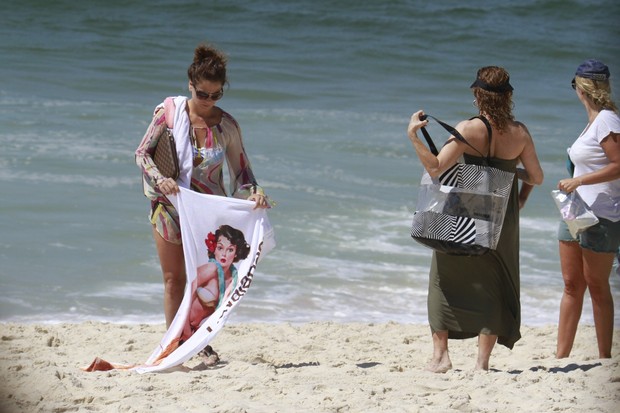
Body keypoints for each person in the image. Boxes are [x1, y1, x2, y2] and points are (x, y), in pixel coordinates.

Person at [135, 43, 270, 363]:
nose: (209, 101)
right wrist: (161, 180)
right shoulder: (168, 115)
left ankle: (199, 340)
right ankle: (175, 343)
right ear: (190, 86)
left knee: (206, 281)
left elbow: (244, 172)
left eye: (216, 95)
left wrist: (256, 192)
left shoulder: (227, 126)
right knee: (174, 279)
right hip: (169, 207)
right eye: (203, 94)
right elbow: (142, 154)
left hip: (208, 214)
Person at [406, 66, 544, 372]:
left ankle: (441, 356)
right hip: (502, 218)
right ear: (508, 96)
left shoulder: (469, 129)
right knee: (491, 284)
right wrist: (517, 192)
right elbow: (536, 176)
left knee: (444, 280)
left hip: (461, 214)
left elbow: (435, 167)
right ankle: (482, 363)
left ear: (477, 95)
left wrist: (413, 135)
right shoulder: (519, 132)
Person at [556, 59, 620, 359]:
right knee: (571, 284)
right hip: (574, 209)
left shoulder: (607, 120)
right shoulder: (594, 122)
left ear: (582, 88)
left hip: (601, 214)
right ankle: (561, 356)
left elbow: (619, 165)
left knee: (596, 285)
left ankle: (605, 357)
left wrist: (579, 179)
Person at [182, 225, 250, 341]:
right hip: (185, 329)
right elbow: (186, 294)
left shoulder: (233, 279)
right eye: (220, 248)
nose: (224, 254)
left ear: (236, 253)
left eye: (230, 250)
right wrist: (186, 331)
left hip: (199, 333)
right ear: (214, 249)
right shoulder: (211, 268)